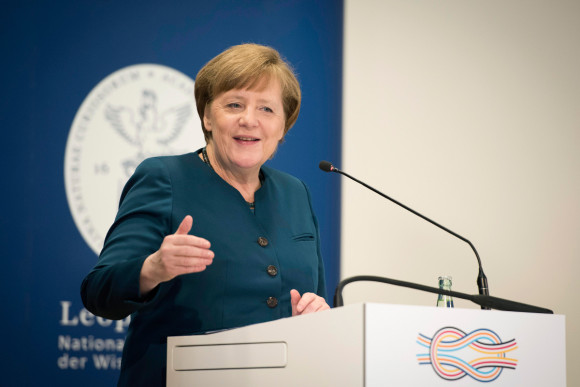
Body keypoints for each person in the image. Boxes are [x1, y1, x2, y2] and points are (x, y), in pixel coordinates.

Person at [81, 43, 330, 386]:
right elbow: (98, 291)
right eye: (234, 104)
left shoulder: (296, 193)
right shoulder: (165, 178)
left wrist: (317, 315)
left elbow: (315, 297)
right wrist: (152, 268)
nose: (249, 119)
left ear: (283, 126)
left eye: (267, 109)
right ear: (207, 116)